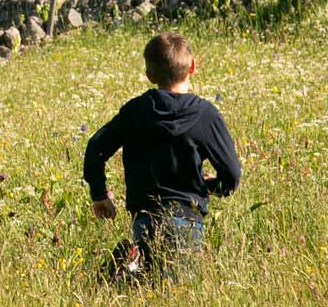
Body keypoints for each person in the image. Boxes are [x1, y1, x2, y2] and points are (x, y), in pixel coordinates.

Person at [82, 31, 241, 280]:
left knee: (148, 286)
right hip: (188, 220)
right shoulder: (206, 115)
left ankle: (117, 273)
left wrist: (100, 195)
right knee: (178, 294)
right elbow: (232, 173)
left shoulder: (135, 111)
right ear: (192, 67)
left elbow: (95, 147)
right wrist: (213, 187)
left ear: (150, 76)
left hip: (144, 219)